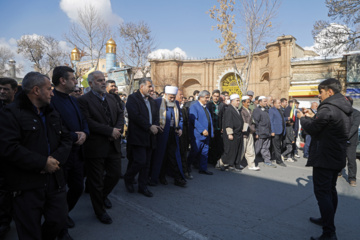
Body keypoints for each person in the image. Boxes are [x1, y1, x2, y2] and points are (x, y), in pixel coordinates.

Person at [0, 72, 72, 240]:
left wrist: (54, 161)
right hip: (26, 186)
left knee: (58, 220)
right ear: (36, 90)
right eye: (49, 89)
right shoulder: (10, 113)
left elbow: (67, 138)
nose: (52, 93)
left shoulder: (52, 112)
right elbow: (9, 148)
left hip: (55, 182)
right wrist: (41, 163)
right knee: (29, 231)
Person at [297, 78, 352, 240]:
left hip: (325, 156)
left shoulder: (328, 107)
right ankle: (326, 220)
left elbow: (314, 129)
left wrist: (303, 118)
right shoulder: (343, 106)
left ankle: (329, 232)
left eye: (320, 92)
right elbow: (327, 126)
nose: (319, 96)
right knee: (330, 190)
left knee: (322, 192)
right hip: (336, 155)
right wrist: (314, 115)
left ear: (329, 91)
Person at [77, 71, 124, 224]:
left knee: (115, 174)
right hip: (96, 146)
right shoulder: (84, 100)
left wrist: (116, 130)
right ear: (90, 84)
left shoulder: (111, 98)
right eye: (99, 81)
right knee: (95, 181)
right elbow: (88, 121)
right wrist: (108, 131)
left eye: (104, 80)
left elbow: (120, 115)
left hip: (113, 144)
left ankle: (102, 196)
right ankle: (99, 210)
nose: (103, 83)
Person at [51, 66, 90, 240]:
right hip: (61, 155)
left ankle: (64, 213)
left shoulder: (73, 100)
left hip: (77, 153)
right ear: (62, 80)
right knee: (58, 194)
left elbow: (83, 121)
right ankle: (61, 230)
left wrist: (85, 133)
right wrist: (75, 136)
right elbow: (55, 127)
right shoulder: (51, 100)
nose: (76, 81)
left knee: (78, 187)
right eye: (73, 78)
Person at [124, 78, 160, 198]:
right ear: (141, 87)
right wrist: (149, 126)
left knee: (147, 164)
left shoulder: (152, 101)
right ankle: (128, 178)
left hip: (150, 137)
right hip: (138, 136)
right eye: (149, 86)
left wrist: (154, 125)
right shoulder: (133, 98)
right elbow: (135, 116)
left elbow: (156, 116)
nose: (152, 89)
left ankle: (142, 186)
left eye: (152, 86)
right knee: (140, 161)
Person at [149, 86, 186, 187]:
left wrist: (180, 128)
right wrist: (156, 125)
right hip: (161, 134)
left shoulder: (176, 103)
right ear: (165, 95)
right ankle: (156, 177)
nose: (172, 99)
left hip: (173, 134)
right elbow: (152, 116)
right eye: (170, 97)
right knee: (160, 156)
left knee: (173, 156)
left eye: (174, 97)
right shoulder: (157, 102)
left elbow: (180, 118)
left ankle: (177, 178)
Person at [0, 77, 18, 239]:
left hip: (17, 157)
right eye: (0, 89)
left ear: (14, 90)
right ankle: (4, 221)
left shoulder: (20, 109)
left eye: (5, 89)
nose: (2, 92)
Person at [187, 90, 214, 175]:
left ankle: (203, 168)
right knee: (194, 151)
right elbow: (193, 120)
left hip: (207, 135)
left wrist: (211, 132)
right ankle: (187, 167)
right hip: (198, 135)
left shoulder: (205, 107)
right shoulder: (194, 106)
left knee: (205, 152)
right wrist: (202, 130)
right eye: (206, 97)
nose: (207, 99)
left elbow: (209, 120)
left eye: (208, 97)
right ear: (201, 97)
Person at [220, 94, 244, 171]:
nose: (238, 102)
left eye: (238, 100)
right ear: (232, 101)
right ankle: (227, 164)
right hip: (233, 133)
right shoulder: (229, 109)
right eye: (237, 100)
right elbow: (228, 122)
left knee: (237, 149)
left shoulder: (236, 109)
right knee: (231, 150)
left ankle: (236, 164)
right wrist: (229, 133)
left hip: (238, 133)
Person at [252, 96, 277, 168]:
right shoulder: (257, 110)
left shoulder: (266, 110)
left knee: (266, 148)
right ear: (260, 102)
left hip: (267, 132)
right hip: (260, 133)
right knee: (257, 148)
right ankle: (251, 161)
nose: (266, 103)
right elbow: (255, 122)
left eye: (266, 101)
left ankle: (267, 161)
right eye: (264, 101)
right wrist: (256, 133)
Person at [239, 96, 259, 171]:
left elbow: (252, 122)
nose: (248, 104)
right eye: (247, 102)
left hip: (250, 132)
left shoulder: (250, 110)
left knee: (250, 149)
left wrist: (253, 129)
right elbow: (244, 122)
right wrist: (252, 129)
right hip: (244, 133)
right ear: (243, 102)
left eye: (249, 102)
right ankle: (238, 163)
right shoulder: (241, 111)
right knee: (242, 150)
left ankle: (251, 164)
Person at [344, 97, 360, 187]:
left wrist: (346, 136)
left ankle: (352, 178)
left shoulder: (356, 113)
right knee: (340, 157)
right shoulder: (342, 112)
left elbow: (355, 126)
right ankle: (338, 172)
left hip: (351, 141)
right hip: (341, 140)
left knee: (351, 160)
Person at [206, 89, 225, 166]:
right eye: (214, 96)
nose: (216, 98)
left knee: (218, 145)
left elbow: (223, 117)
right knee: (211, 145)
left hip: (218, 128)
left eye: (217, 96)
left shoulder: (222, 105)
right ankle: (211, 160)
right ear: (212, 96)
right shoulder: (208, 104)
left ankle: (217, 160)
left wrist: (222, 127)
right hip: (211, 128)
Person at [269, 99, 287, 167]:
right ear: (274, 104)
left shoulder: (279, 110)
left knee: (277, 146)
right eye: (279, 103)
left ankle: (272, 157)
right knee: (277, 147)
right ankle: (279, 161)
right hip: (276, 131)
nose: (280, 104)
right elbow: (271, 121)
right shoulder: (272, 110)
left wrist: (287, 119)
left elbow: (281, 119)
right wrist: (272, 131)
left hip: (281, 131)